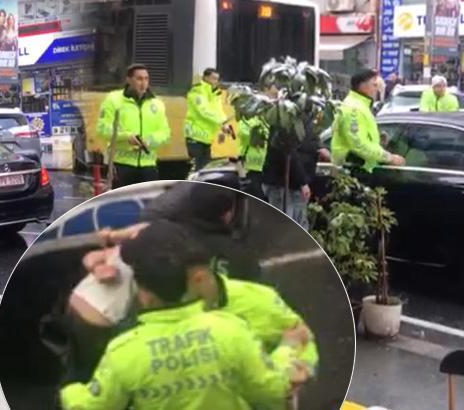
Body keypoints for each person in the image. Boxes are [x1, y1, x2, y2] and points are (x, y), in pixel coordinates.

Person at [60, 220, 303, 410]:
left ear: (145, 296)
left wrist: (70, 391)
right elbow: (273, 390)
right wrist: (287, 350)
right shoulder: (233, 331)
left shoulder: (123, 353)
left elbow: (94, 405)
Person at [97, 64, 171, 188]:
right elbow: (102, 129)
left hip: (148, 166)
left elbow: (165, 132)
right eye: (139, 79)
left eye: (146, 79)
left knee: (148, 205)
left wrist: (149, 141)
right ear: (129, 80)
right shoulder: (113, 100)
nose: (143, 83)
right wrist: (126, 137)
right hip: (122, 165)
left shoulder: (156, 103)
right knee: (122, 205)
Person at [331, 68, 405, 173]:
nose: (377, 89)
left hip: (360, 167)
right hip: (352, 169)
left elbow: (363, 137)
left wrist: (378, 141)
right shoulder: (354, 109)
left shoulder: (361, 106)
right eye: (374, 85)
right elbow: (358, 143)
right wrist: (389, 158)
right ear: (362, 86)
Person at [184, 68, 231, 172]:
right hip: (195, 136)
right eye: (213, 78)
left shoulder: (215, 94)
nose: (216, 81)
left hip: (206, 139)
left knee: (205, 171)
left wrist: (225, 124)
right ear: (205, 78)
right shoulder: (197, 91)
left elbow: (218, 111)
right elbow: (204, 111)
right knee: (197, 170)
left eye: (217, 79)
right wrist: (222, 122)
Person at [237, 84, 277, 199]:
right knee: (255, 196)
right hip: (252, 164)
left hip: (266, 164)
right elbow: (243, 133)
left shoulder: (270, 114)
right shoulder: (250, 116)